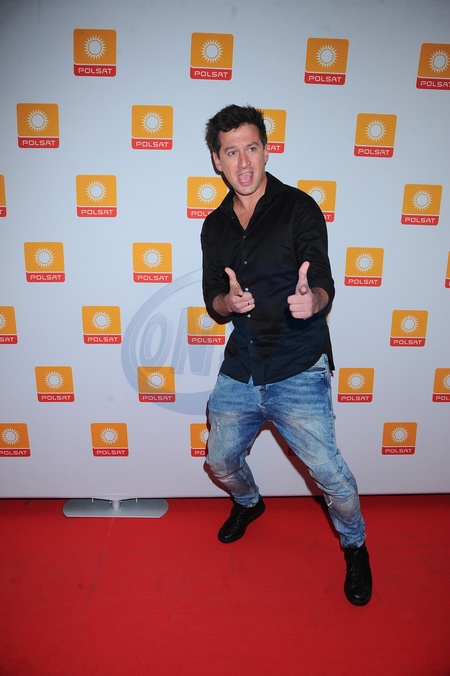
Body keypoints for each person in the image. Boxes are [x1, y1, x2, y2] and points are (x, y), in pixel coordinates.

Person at [200, 104, 372, 606]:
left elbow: (323, 280)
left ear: (267, 150)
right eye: (231, 152)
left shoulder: (299, 207)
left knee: (331, 475)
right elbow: (213, 299)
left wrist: (312, 300)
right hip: (242, 365)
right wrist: (227, 303)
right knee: (219, 460)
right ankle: (249, 502)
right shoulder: (214, 227)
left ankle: (355, 545)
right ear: (217, 161)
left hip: (298, 364)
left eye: (251, 148)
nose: (244, 162)